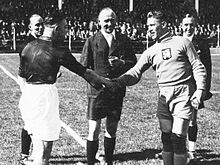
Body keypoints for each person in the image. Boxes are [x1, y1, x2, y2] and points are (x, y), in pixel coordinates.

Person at [103, 10, 207, 165]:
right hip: (164, 95)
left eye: (152, 25)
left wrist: (200, 90)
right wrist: (117, 81)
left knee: (178, 138)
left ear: (163, 24)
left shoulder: (183, 42)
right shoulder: (151, 51)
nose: (149, 29)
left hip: (183, 93)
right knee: (166, 138)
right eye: (147, 26)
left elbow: (198, 67)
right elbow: (135, 72)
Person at [18, 11, 106, 165]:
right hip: (44, 97)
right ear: (56, 28)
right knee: (44, 155)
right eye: (65, 27)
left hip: (27, 96)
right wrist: (104, 83)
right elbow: (82, 71)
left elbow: (22, 75)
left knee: (37, 150)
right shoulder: (58, 49)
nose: (67, 31)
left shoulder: (28, 47)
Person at [80, 7, 137, 165]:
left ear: (116, 21)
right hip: (97, 91)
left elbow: (133, 63)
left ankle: (109, 160)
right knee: (94, 129)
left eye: (112, 20)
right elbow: (83, 67)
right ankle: (91, 162)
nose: (109, 23)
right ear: (99, 22)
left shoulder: (123, 40)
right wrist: (98, 80)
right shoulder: (91, 41)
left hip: (116, 90)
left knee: (112, 127)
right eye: (106, 20)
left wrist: (122, 63)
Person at [181, 13, 212, 161]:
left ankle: (192, 150)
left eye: (191, 25)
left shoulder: (202, 43)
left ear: (195, 26)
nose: (188, 27)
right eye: (186, 24)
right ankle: (177, 149)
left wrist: (204, 90)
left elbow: (208, 67)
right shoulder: (176, 41)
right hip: (179, 86)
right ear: (181, 26)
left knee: (192, 119)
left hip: (194, 86)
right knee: (176, 118)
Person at [19, 14, 44, 164]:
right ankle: (24, 154)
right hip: (30, 87)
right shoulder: (26, 45)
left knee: (39, 120)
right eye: (37, 25)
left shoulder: (43, 42)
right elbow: (25, 70)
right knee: (30, 121)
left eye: (42, 24)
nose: (40, 27)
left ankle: (36, 153)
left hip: (41, 87)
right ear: (30, 27)